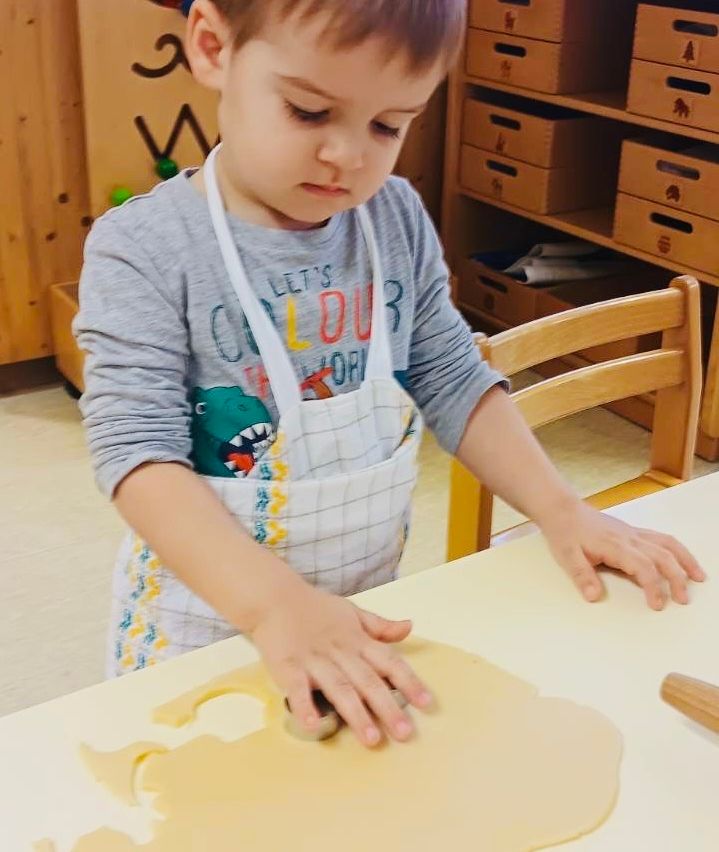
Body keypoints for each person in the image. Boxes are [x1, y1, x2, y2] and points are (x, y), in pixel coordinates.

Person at [74, 0, 705, 749]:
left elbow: (451, 376)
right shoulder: (144, 247)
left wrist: (562, 510)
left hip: (356, 615)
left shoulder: (393, 218)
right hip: (205, 629)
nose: (348, 156)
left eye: (387, 125)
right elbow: (136, 455)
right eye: (309, 111)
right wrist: (274, 608)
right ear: (213, 48)